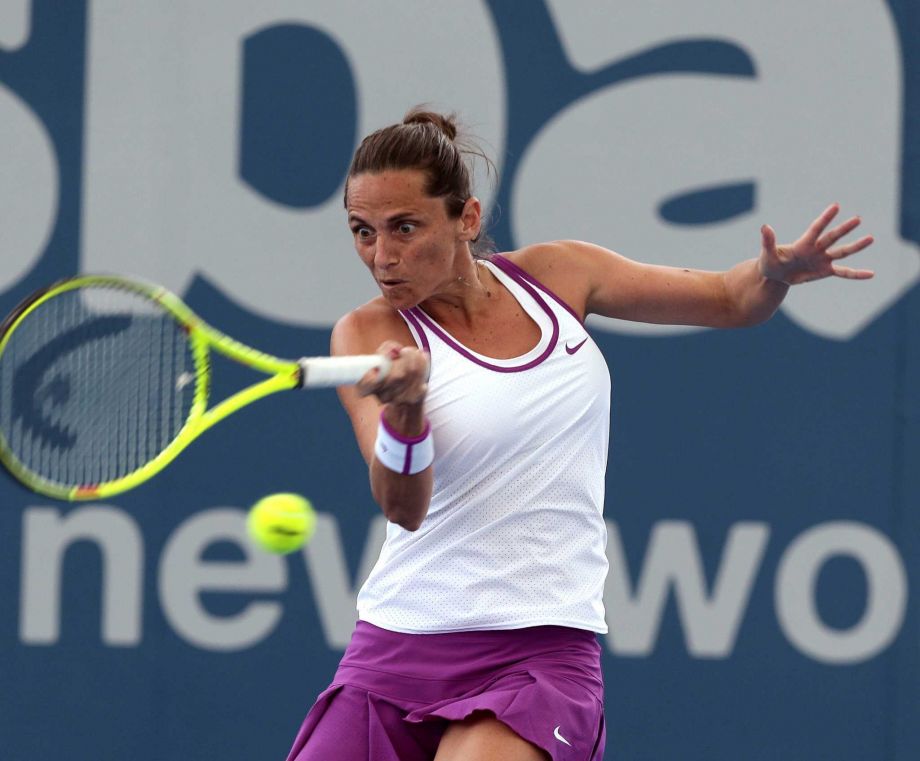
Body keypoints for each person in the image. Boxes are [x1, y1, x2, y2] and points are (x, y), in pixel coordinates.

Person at [285, 108, 874, 761]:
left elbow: (729, 299)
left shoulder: (561, 275)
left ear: (466, 220)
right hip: (393, 649)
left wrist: (774, 274)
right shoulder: (366, 334)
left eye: (405, 227)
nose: (382, 255)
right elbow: (404, 505)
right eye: (361, 231)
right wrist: (405, 411)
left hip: (536, 652)